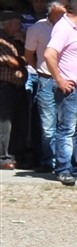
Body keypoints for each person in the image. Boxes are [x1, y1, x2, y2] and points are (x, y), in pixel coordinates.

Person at [44, 0, 77, 186]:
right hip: (70, 88)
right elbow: (49, 54)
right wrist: (59, 79)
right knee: (66, 129)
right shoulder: (64, 28)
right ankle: (63, 169)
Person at [24, 0, 68, 172]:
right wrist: (41, 71)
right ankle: (49, 161)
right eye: (66, 7)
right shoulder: (37, 29)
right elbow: (28, 55)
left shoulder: (71, 29)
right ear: (55, 8)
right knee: (48, 125)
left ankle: (65, 162)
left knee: (66, 123)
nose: (69, 11)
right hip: (46, 80)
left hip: (67, 81)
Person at [0, 11, 27, 169]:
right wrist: (21, 61)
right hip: (4, 86)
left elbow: (27, 58)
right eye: (18, 23)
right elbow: (12, 62)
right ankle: (4, 157)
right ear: (10, 24)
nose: (21, 27)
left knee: (19, 122)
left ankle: (16, 155)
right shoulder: (2, 40)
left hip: (18, 86)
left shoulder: (16, 40)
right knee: (5, 123)